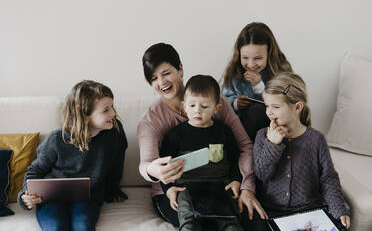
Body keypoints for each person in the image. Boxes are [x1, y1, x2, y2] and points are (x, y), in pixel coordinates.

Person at [137, 42, 267, 228]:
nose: (162, 82)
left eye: (166, 73)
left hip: (217, 185)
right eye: (154, 78)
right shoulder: (151, 120)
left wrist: (245, 185)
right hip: (177, 190)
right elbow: (146, 164)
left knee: (249, 220)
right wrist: (154, 171)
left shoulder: (214, 100)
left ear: (180, 69)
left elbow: (244, 146)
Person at [17, 80, 128, 231]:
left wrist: (113, 189)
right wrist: (25, 196)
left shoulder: (114, 134)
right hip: (51, 198)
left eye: (112, 107)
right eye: (106, 110)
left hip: (87, 197)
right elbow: (35, 171)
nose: (113, 113)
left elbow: (116, 163)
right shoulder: (57, 139)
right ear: (85, 114)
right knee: (56, 227)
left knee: (83, 226)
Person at [251, 72, 350, 230]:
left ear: (297, 107)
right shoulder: (262, 136)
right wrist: (272, 144)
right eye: (267, 106)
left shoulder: (316, 139)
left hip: (310, 210)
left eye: (275, 107)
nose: (269, 112)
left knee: (341, 225)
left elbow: (328, 178)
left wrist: (338, 209)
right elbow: (262, 175)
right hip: (272, 212)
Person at [160, 75, 243, 231]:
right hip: (187, 187)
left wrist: (237, 180)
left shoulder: (224, 132)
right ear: (184, 106)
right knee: (188, 223)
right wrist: (169, 188)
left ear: (216, 108)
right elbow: (164, 166)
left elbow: (236, 159)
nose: (197, 110)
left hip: (220, 186)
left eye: (204, 106)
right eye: (192, 105)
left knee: (231, 224)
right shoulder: (176, 135)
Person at [221, 22, 293, 142]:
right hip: (240, 130)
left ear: (269, 54)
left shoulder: (281, 72)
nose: (250, 64)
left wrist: (259, 87)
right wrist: (236, 104)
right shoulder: (235, 73)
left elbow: (286, 103)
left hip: (272, 129)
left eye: (258, 58)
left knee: (256, 111)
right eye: (245, 58)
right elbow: (222, 101)